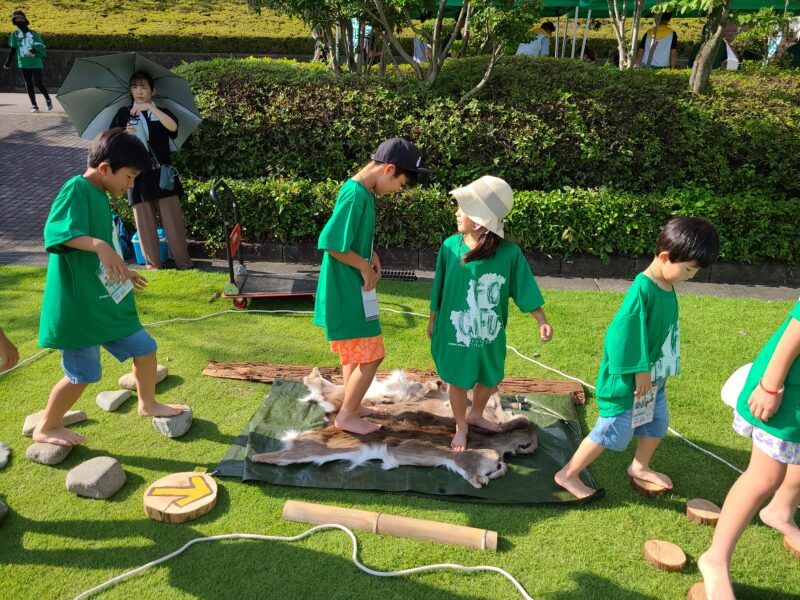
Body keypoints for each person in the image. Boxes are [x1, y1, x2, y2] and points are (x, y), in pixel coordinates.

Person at [33, 128, 186, 447]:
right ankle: (47, 426)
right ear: (105, 168)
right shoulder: (76, 188)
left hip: (104, 301)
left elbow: (98, 249)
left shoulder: (99, 195)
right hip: (79, 310)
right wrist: (100, 245)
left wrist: (121, 270)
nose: (129, 185)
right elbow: (56, 234)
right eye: (128, 177)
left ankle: (148, 404)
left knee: (145, 349)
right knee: (83, 375)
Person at [555, 217, 720, 499]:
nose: (690, 276)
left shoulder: (666, 284)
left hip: (653, 379)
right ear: (666, 257)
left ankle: (640, 466)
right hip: (629, 382)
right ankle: (567, 474)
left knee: (656, 422)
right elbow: (621, 335)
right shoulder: (643, 289)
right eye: (688, 269)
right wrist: (639, 370)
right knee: (610, 428)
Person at [428, 176, 553, 451]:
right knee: (458, 380)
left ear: (480, 220)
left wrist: (541, 319)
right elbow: (439, 287)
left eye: (464, 208)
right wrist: (433, 320)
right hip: (455, 334)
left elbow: (524, 288)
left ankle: (476, 414)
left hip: (489, 333)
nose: (457, 212)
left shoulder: (509, 254)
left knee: (491, 377)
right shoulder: (450, 247)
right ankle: (461, 424)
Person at [313, 138, 429, 435]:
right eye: (400, 185)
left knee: (356, 353)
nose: (396, 192)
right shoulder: (354, 195)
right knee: (373, 356)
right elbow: (330, 243)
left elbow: (349, 240)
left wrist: (370, 254)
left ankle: (353, 404)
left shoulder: (362, 193)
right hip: (345, 290)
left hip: (351, 288)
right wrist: (364, 265)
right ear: (389, 169)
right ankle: (347, 416)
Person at [697, 303, 800, 600]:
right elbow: (795, 331)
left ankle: (780, 511)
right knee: (766, 476)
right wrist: (770, 387)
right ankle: (715, 558)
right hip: (786, 390)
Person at [110, 71, 193, 270]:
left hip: (162, 175)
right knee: (145, 225)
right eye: (135, 87)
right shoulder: (123, 113)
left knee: (173, 222)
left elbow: (173, 128)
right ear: (130, 90)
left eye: (144, 87)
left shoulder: (161, 111)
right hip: (136, 177)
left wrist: (149, 109)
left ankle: (184, 262)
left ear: (152, 91)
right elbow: (109, 141)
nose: (139, 91)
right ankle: (153, 265)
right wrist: (123, 132)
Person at [3, 10, 52, 113]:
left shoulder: (33, 33)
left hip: (35, 61)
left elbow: (41, 45)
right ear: (14, 22)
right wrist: (8, 62)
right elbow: (13, 49)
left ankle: (48, 99)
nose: (19, 21)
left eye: (20, 19)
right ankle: (34, 105)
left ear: (25, 20)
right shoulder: (15, 34)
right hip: (23, 61)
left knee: (38, 83)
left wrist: (33, 50)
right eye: (16, 20)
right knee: (28, 83)